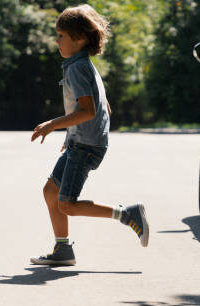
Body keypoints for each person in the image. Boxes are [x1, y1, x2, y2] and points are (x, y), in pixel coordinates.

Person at [29, 4, 149, 266]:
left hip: (85, 146)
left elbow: (89, 110)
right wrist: (71, 133)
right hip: (81, 142)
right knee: (51, 192)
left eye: (61, 35)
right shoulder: (81, 65)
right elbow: (103, 106)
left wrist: (53, 124)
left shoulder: (77, 68)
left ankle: (128, 214)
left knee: (67, 204)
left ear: (79, 39)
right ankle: (63, 250)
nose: (57, 40)